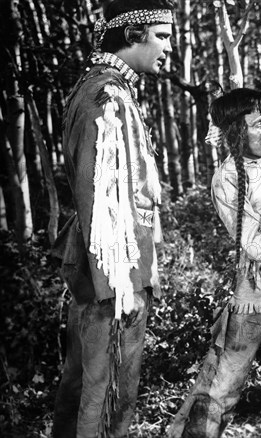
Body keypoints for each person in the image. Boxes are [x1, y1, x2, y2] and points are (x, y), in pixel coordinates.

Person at [51, 0, 174, 436]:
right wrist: (121, 286)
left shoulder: (104, 89)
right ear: (131, 35)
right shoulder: (106, 97)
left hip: (107, 270)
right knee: (108, 391)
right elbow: (98, 198)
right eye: (161, 36)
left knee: (86, 383)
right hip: (113, 276)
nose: (168, 48)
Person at [167, 88, 261, 438]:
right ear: (236, 132)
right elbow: (254, 242)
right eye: (257, 122)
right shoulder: (227, 178)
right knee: (224, 380)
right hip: (258, 285)